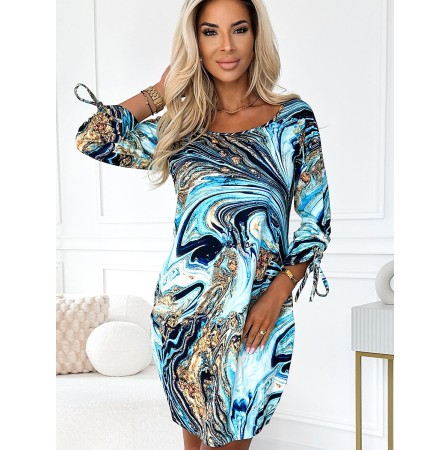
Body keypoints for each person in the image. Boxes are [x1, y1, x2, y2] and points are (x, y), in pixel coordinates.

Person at [73, 0, 331, 448]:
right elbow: (92, 138)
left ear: (256, 36)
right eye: (210, 32)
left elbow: (315, 218)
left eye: (239, 29)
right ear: (194, 42)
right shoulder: (182, 127)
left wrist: (278, 293)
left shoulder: (292, 119)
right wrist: (160, 92)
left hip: (257, 311)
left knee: (235, 437)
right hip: (184, 312)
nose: (226, 45)